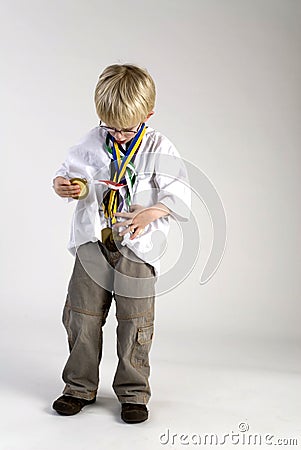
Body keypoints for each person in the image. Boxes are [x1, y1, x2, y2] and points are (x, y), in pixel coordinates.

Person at [52, 64, 190, 423]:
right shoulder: (93, 140)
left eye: (126, 128)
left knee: (135, 320)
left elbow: (179, 196)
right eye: (109, 126)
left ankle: (132, 393)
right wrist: (66, 186)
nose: (118, 135)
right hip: (94, 243)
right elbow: (72, 174)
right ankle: (79, 387)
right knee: (81, 316)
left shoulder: (160, 146)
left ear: (148, 114)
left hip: (137, 249)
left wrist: (151, 212)